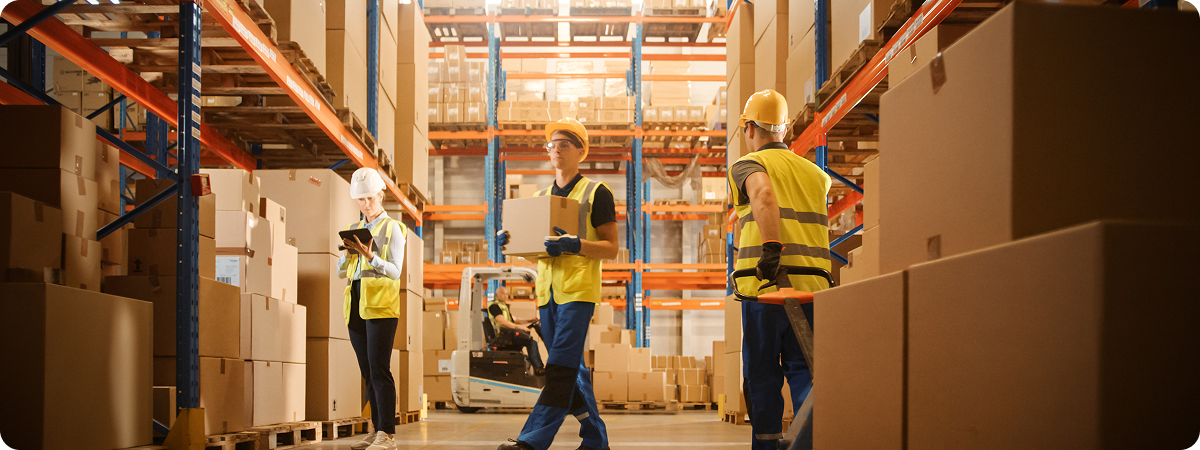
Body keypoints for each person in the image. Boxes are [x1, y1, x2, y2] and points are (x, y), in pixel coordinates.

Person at [495, 118, 618, 450]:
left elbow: (612, 248)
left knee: (559, 370)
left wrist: (575, 244)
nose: (556, 150)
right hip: (547, 296)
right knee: (573, 371)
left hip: (578, 294)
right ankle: (596, 441)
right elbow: (538, 255)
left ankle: (530, 442)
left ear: (581, 151)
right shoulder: (541, 197)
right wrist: (511, 244)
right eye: (552, 144)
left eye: (564, 144)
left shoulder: (596, 192)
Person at [728, 90, 833, 450]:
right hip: (813, 290)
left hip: (766, 288)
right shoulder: (818, 176)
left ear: (750, 128)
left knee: (761, 376)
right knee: (805, 374)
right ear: (785, 130)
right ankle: (808, 443)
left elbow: (764, 196)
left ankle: (767, 445)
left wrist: (771, 248)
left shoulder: (748, 164)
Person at [339, 168, 407, 450]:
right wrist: (344, 256)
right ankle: (376, 429)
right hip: (356, 305)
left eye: (370, 198)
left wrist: (371, 257)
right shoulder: (356, 230)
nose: (366, 204)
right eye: (361, 200)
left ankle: (387, 435)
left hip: (381, 307)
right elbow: (344, 273)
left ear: (381, 195)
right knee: (367, 371)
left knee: (380, 370)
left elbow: (395, 271)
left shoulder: (393, 228)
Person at [488, 286, 546, 375]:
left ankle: (536, 366)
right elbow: (502, 321)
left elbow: (515, 320)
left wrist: (530, 320)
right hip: (502, 337)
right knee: (530, 340)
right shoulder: (494, 306)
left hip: (507, 334)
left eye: (507, 294)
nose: (505, 296)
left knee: (529, 339)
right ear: (496, 295)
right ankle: (538, 368)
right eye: (503, 294)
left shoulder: (504, 306)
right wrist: (519, 328)